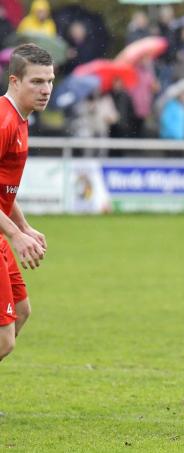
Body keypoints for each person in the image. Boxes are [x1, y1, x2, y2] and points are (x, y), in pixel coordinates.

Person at [0, 43, 52, 365]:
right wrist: (15, 236)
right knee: (4, 340)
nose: (46, 90)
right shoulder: (4, 121)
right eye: (36, 81)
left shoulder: (21, 119)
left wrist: (23, 226)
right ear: (15, 80)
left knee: (21, 311)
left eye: (49, 81)